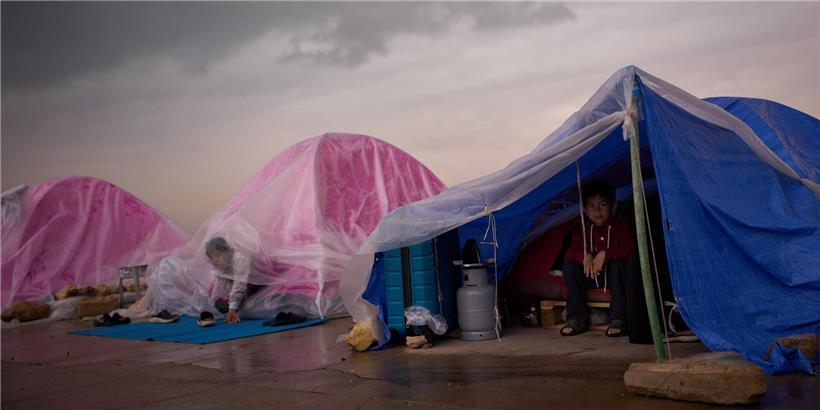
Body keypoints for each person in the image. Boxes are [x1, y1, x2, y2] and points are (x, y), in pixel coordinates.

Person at [560, 179, 635, 337]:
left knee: (619, 264)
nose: (597, 211)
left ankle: (618, 318)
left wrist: (605, 254)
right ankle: (576, 318)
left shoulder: (621, 227)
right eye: (591, 206)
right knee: (570, 267)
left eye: (602, 205)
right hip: (591, 276)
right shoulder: (582, 229)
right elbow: (570, 252)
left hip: (613, 277)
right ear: (585, 211)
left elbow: (630, 248)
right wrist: (585, 256)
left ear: (613, 206)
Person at [205, 236, 263, 324]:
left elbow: (240, 283)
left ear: (228, 251)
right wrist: (234, 306)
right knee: (220, 305)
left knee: (262, 303)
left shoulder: (239, 257)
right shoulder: (220, 268)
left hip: (261, 284)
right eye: (211, 258)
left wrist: (232, 308)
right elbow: (229, 288)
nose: (214, 260)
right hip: (248, 288)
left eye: (217, 255)